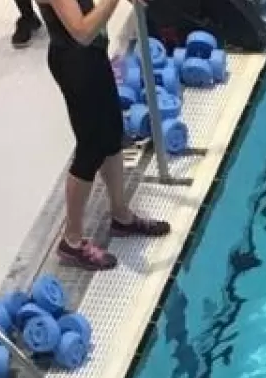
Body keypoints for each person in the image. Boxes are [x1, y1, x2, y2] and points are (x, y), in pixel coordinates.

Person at [38, 0, 173, 269]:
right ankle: (72, 241)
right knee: (90, 149)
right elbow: (82, 31)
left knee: (112, 136)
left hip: (92, 57)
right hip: (76, 64)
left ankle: (121, 215)